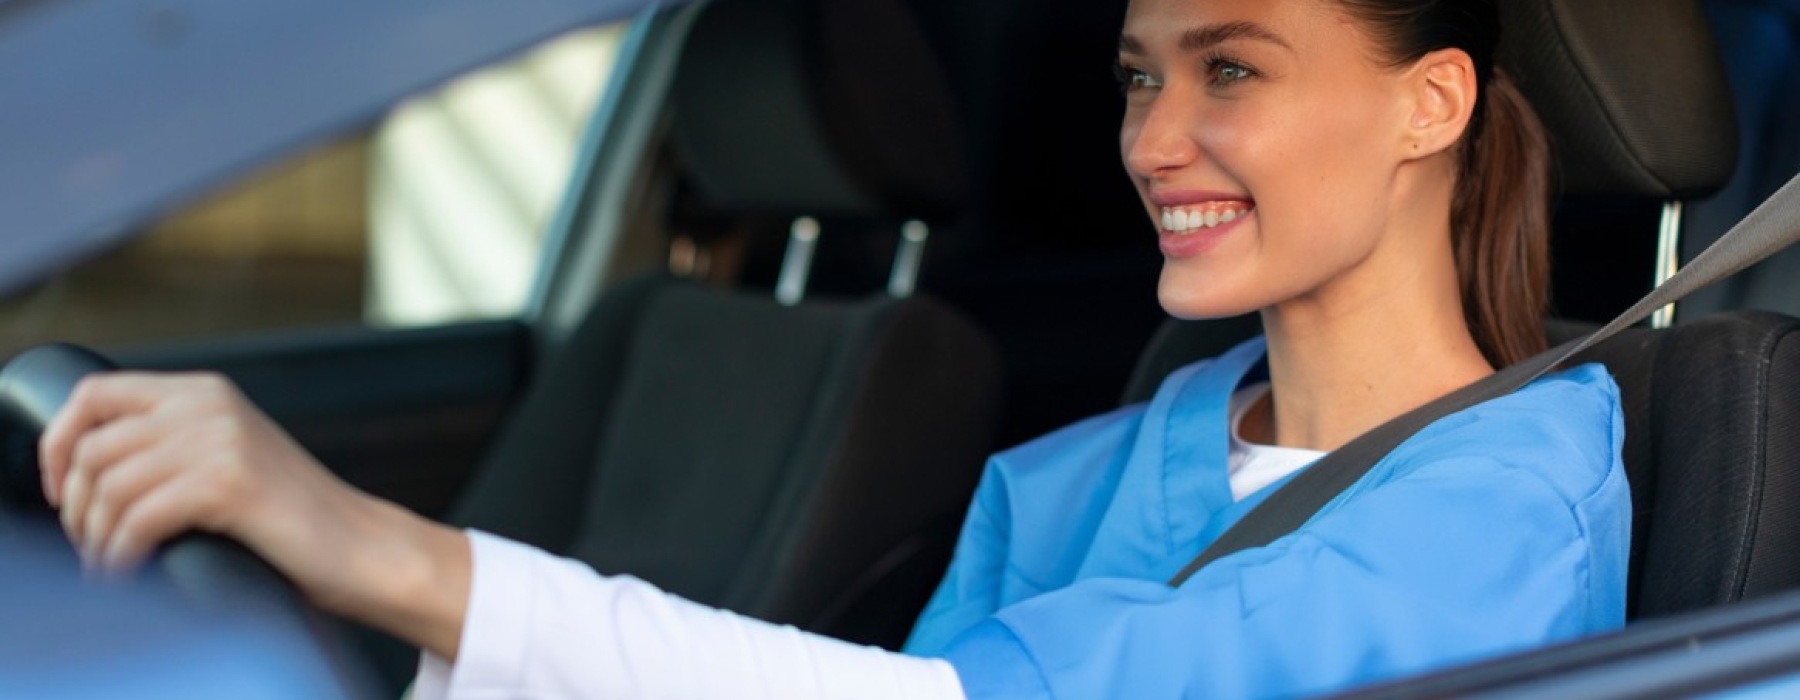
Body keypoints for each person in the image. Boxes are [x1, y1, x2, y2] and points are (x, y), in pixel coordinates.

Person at [36, 0, 1629, 697]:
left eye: (1233, 71)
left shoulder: (1505, 510)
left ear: (1431, 103)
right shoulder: (1081, 467)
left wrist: (371, 551)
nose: (1159, 138)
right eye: (1142, 77)